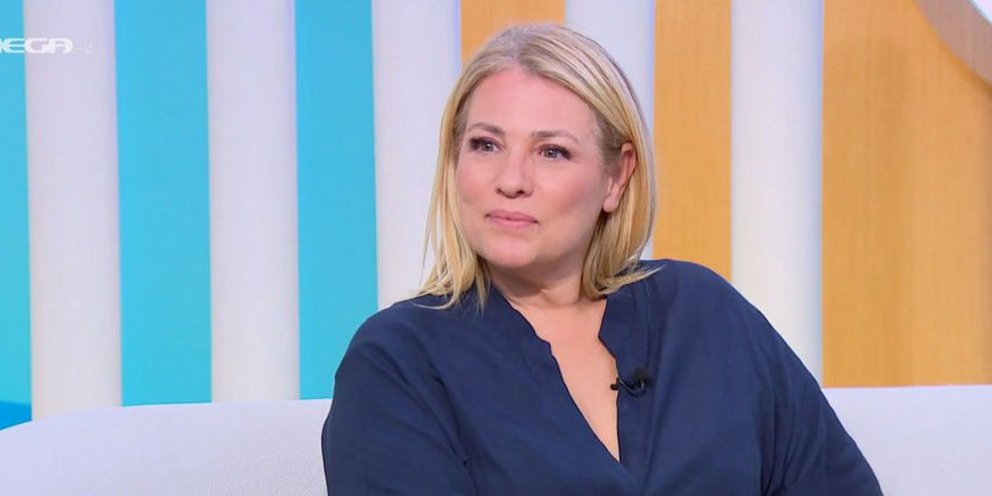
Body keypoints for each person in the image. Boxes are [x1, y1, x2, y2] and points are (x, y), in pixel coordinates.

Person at [321, 23, 881, 495]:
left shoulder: (705, 315)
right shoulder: (397, 362)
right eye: (486, 145)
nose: (511, 180)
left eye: (552, 152)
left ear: (616, 177)